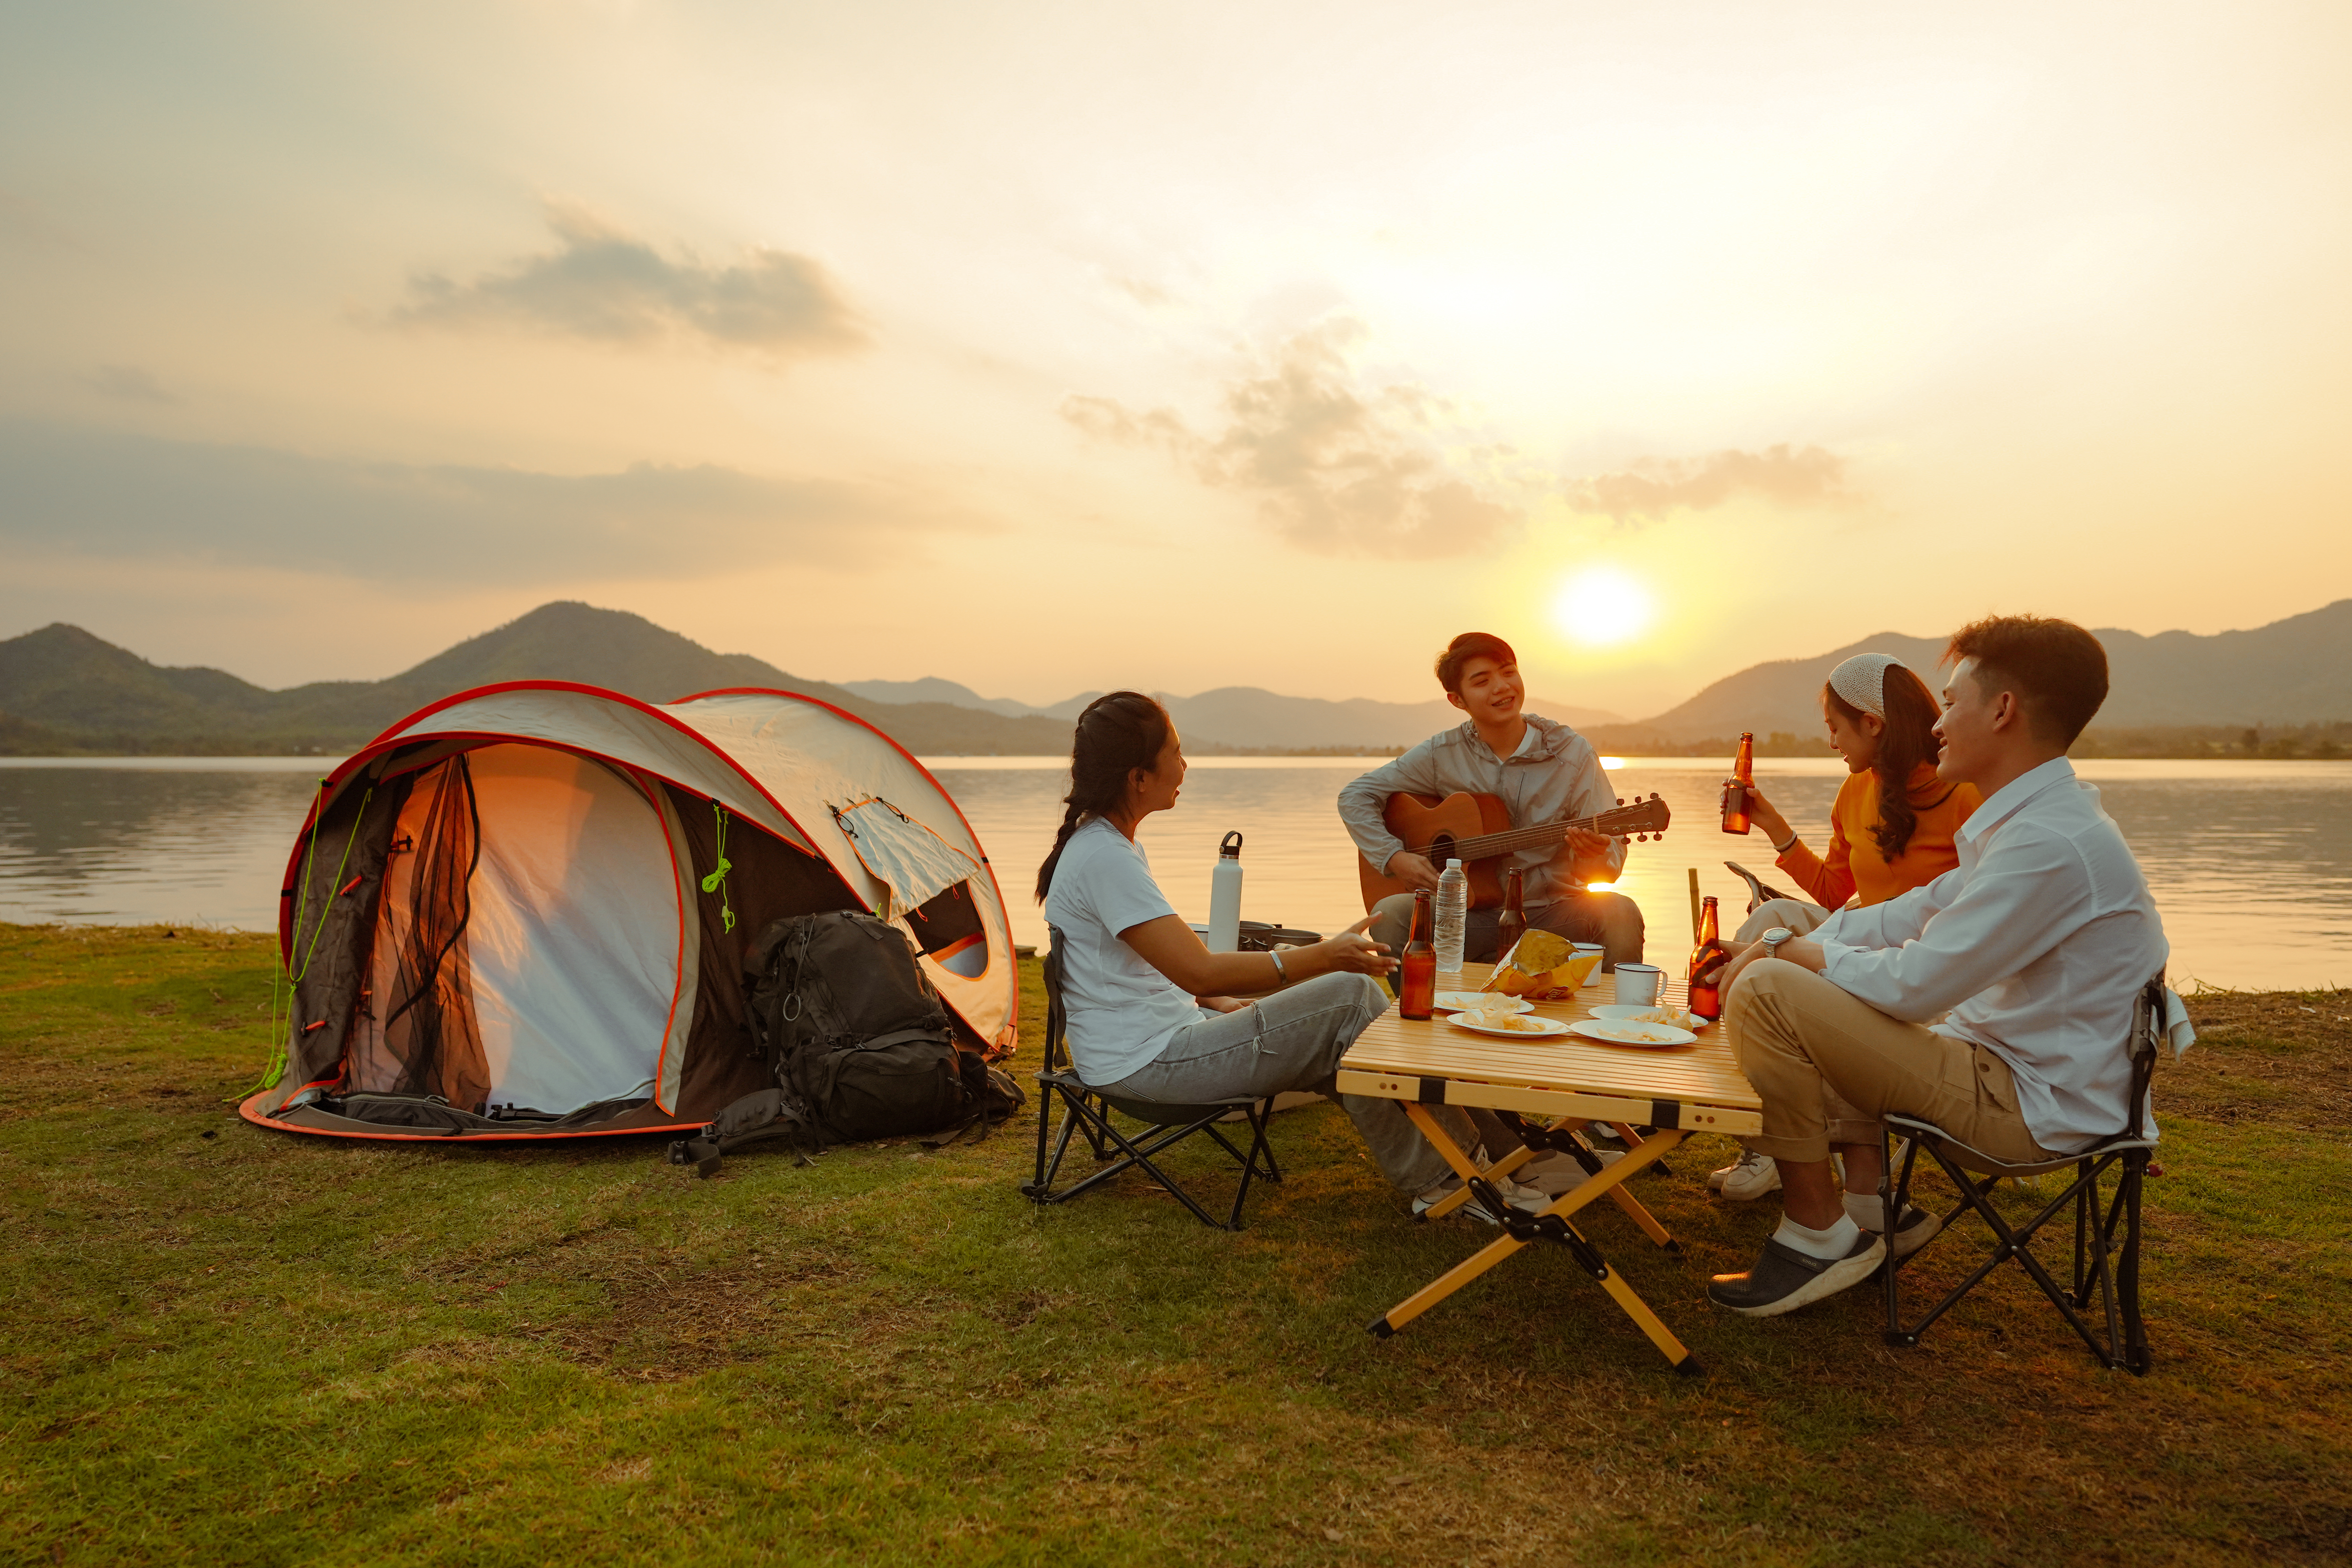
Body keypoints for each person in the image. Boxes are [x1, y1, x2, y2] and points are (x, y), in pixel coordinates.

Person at [1696, 616, 2167, 1318]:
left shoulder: (2048, 842)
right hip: (2005, 1064)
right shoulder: (2034, 821)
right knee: (1787, 968)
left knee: (1770, 988)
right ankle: (1865, 1205)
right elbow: (1906, 914)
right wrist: (1779, 945)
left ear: (2003, 710)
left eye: (1951, 702)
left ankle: (1819, 1233)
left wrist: (1778, 952)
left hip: (2030, 1106)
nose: (1937, 722)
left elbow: (1917, 985)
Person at [1039, 691, 1546, 1221]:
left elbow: (1161, 968)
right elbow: (1196, 967)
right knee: (1349, 1001)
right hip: (1147, 1068)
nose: (1185, 765)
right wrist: (1326, 957)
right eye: (1176, 752)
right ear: (1138, 777)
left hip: (1158, 1044)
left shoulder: (1108, 846)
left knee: (1352, 1039)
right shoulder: (1105, 858)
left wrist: (1221, 1002)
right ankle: (1464, 1177)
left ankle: (1468, 1171)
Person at [1707, 654, 1983, 1202]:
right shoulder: (1854, 791)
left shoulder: (1960, 793)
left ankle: (1811, 1142)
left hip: (1923, 963)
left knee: (1803, 965)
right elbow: (1835, 893)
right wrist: (1773, 826)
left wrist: (1790, 950)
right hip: (1864, 930)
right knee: (1768, 917)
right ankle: (1770, 1133)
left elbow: (1980, 909)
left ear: (1872, 724)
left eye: (1835, 727)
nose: (1831, 742)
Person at [1340, 632, 1643, 971]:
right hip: (1469, 916)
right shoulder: (1443, 754)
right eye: (1483, 681)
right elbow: (1355, 795)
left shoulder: (1571, 754)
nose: (1502, 687)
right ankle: (1414, 1014)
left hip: (1553, 912)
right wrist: (1394, 857)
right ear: (1458, 700)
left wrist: (1595, 853)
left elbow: (1608, 866)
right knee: (1393, 911)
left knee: (1620, 911)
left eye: (1508, 671)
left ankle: (1619, 1021)